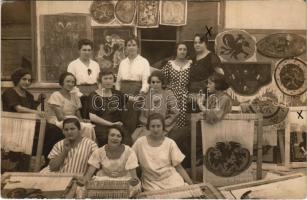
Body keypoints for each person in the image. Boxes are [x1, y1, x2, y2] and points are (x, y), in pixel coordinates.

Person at [1, 68, 64, 168]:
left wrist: (39, 101)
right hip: (14, 125)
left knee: (56, 131)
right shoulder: (10, 92)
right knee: (52, 131)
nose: (27, 82)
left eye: (29, 80)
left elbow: (31, 108)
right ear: (17, 79)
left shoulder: (29, 95)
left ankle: (49, 161)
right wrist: (37, 112)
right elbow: (18, 108)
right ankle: (47, 161)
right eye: (24, 79)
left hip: (29, 124)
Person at [169, 73, 232, 168]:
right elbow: (205, 114)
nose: (207, 86)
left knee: (178, 137)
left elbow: (213, 117)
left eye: (210, 83)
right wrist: (200, 109)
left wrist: (200, 104)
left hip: (211, 130)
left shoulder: (225, 99)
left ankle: (181, 165)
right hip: (203, 127)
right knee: (174, 134)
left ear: (218, 84)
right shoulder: (211, 97)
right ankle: (180, 165)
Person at [132, 113, 193, 191]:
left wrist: (192, 185)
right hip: (151, 182)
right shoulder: (140, 142)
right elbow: (130, 162)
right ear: (148, 127)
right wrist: (134, 178)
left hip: (171, 178)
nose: (156, 129)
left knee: (181, 193)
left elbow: (179, 167)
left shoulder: (170, 143)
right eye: (153, 126)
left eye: (158, 126)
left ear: (163, 127)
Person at [83, 126, 140, 197]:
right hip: (104, 180)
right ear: (107, 136)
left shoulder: (129, 151)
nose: (115, 138)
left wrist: (132, 181)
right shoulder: (99, 151)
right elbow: (89, 174)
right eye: (112, 135)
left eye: (118, 136)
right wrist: (84, 181)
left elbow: (134, 177)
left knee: (135, 186)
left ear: (121, 139)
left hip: (123, 180)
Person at [115, 36, 151, 134]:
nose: (131, 47)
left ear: (138, 47)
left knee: (131, 109)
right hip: (122, 94)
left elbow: (146, 82)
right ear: (126, 48)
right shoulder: (122, 62)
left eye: (134, 45)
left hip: (137, 94)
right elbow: (118, 82)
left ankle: (130, 137)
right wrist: (118, 94)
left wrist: (140, 95)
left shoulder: (144, 62)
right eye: (129, 45)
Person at [131, 71, 179, 142]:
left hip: (163, 127)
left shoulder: (169, 95)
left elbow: (175, 113)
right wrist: (149, 125)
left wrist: (162, 124)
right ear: (150, 83)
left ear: (162, 83)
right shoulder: (147, 95)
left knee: (152, 140)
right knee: (135, 139)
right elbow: (143, 115)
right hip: (147, 126)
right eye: (153, 82)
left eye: (158, 82)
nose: (155, 84)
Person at [47, 72, 96, 141]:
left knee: (89, 127)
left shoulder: (75, 96)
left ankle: (86, 148)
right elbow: (60, 117)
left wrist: (82, 120)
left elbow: (78, 114)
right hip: (58, 121)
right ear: (62, 83)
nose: (71, 84)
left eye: (73, 82)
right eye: (68, 81)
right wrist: (77, 122)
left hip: (73, 119)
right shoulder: (56, 95)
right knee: (84, 127)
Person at [88, 68, 128, 147]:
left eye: (110, 78)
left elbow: (130, 99)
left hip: (117, 125)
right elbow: (92, 117)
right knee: (106, 139)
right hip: (102, 126)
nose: (108, 81)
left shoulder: (118, 94)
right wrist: (110, 124)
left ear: (114, 80)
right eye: (105, 78)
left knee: (126, 140)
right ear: (100, 81)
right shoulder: (94, 95)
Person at [162, 42, 192, 128]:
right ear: (176, 51)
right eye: (180, 49)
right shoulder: (170, 64)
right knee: (170, 119)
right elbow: (161, 77)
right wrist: (166, 90)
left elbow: (193, 80)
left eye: (184, 49)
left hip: (184, 96)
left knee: (182, 121)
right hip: (171, 96)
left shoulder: (190, 64)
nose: (182, 52)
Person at [189, 34, 224, 107]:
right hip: (192, 94)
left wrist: (209, 84)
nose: (197, 45)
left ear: (206, 44)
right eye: (195, 43)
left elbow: (221, 74)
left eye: (200, 42)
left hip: (206, 95)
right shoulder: (193, 58)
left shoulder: (212, 56)